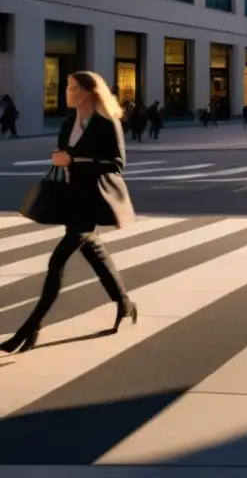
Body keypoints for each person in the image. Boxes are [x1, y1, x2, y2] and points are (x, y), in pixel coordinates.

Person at [2, 71, 138, 354]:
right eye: (68, 87)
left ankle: (30, 328)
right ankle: (125, 304)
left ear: (89, 92)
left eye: (74, 88)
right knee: (95, 253)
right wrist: (58, 158)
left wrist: (74, 160)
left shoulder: (106, 123)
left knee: (56, 261)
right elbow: (63, 155)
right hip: (70, 200)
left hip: (91, 202)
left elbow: (116, 164)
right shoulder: (68, 123)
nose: (68, 91)